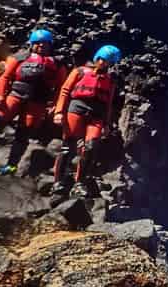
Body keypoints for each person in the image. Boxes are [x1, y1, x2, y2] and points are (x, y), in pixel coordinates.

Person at [0, 29, 66, 175]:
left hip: (37, 103)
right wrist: (0, 96)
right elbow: (6, 77)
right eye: (38, 43)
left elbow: (61, 87)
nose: (41, 46)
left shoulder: (57, 64)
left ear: (50, 45)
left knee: (24, 132)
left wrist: (57, 107)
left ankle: (11, 165)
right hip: (15, 96)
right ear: (31, 43)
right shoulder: (19, 58)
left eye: (45, 44)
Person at [52, 44, 121, 190]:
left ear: (111, 64)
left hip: (97, 115)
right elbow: (65, 91)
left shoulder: (110, 81)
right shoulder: (80, 71)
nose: (102, 62)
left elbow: (108, 104)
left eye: (107, 61)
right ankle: (58, 182)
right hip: (76, 109)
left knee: (91, 148)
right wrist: (59, 111)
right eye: (101, 59)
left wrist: (106, 124)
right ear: (97, 57)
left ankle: (80, 183)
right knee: (68, 146)